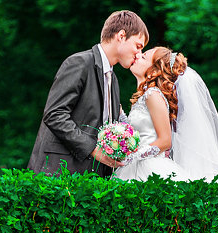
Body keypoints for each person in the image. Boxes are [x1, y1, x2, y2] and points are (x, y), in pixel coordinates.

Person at [27, 10, 148, 176]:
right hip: (59, 173)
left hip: (91, 180)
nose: (139, 54)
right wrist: (93, 149)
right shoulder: (79, 63)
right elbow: (54, 114)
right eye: (138, 46)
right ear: (121, 36)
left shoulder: (114, 79)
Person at [115, 47, 218, 182]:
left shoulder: (152, 94)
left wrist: (132, 157)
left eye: (144, 57)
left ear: (154, 70)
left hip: (147, 167)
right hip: (138, 163)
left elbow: (165, 141)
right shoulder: (145, 96)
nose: (138, 56)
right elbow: (141, 132)